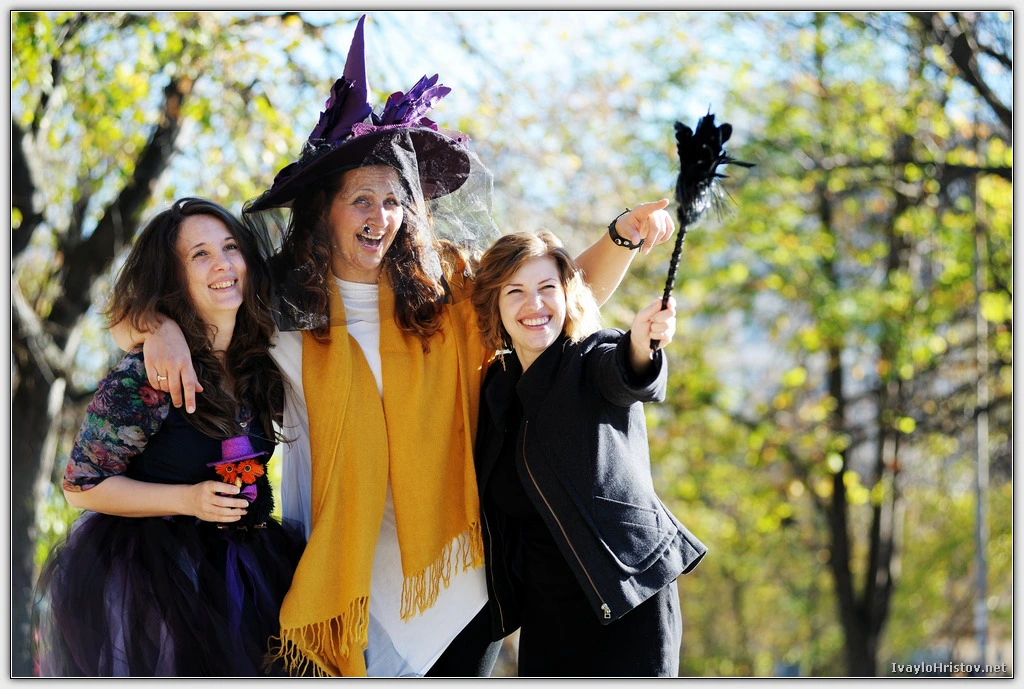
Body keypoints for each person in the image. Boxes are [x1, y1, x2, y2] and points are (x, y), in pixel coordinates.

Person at [112, 15, 677, 678]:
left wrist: (621, 236)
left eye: (391, 200)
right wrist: (158, 328)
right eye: (361, 199)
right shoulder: (278, 306)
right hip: (336, 580)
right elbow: (152, 317)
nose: (379, 217)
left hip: (458, 582)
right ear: (324, 210)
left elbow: (551, 305)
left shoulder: (450, 286)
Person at [34, 198, 302, 676]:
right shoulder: (149, 371)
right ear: (173, 276)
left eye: (230, 247)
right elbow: (80, 486)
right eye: (200, 254)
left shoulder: (263, 363)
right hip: (155, 581)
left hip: (249, 567)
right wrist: (189, 499)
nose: (222, 264)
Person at [470, 230, 707, 676]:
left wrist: (643, 344)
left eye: (547, 288)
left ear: (567, 295)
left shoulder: (589, 357)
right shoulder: (496, 391)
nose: (534, 304)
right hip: (546, 620)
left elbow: (626, 372)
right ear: (495, 306)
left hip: (628, 604)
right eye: (515, 291)